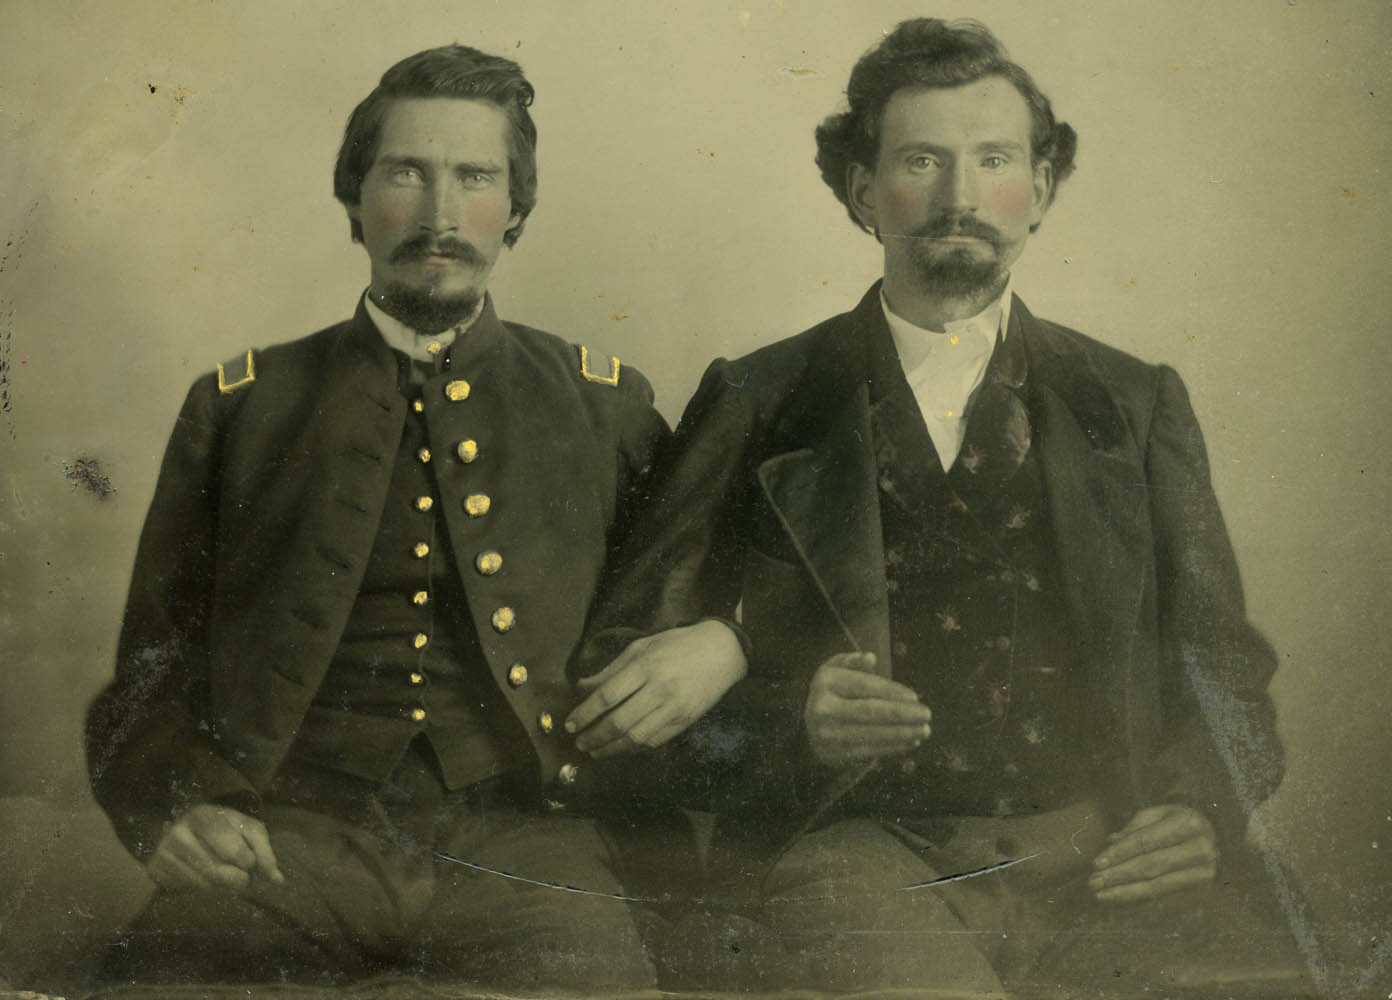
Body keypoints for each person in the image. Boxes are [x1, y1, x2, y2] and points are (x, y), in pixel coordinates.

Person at [569, 18, 1308, 994]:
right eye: (922, 159)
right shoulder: (757, 398)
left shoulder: (1134, 406)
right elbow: (612, 699)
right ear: (861, 192)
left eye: (995, 159)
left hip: (1102, 857)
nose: (961, 198)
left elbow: (1224, 664)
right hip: (855, 863)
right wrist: (784, 710)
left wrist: (1201, 806)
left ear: (1039, 191)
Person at [86, 44, 667, 989]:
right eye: (406, 172)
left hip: (529, 849)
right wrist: (172, 804)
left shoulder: (606, 406)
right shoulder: (242, 404)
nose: (440, 216)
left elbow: (691, 602)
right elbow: (153, 658)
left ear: (515, 208)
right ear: (354, 196)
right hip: (288, 842)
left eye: (475, 178)